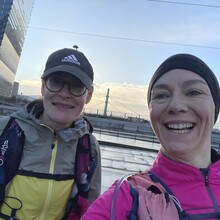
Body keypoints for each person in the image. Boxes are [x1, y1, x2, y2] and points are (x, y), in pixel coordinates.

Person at [83, 53, 220, 220]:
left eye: (193, 92)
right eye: (161, 95)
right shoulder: (127, 198)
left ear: (215, 106)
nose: (176, 106)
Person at [0, 47, 101, 219]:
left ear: (89, 96)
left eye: (76, 86)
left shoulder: (89, 147)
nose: (64, 94)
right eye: (55, 81)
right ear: (43, 87)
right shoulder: (5, 130)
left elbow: (91, 210)